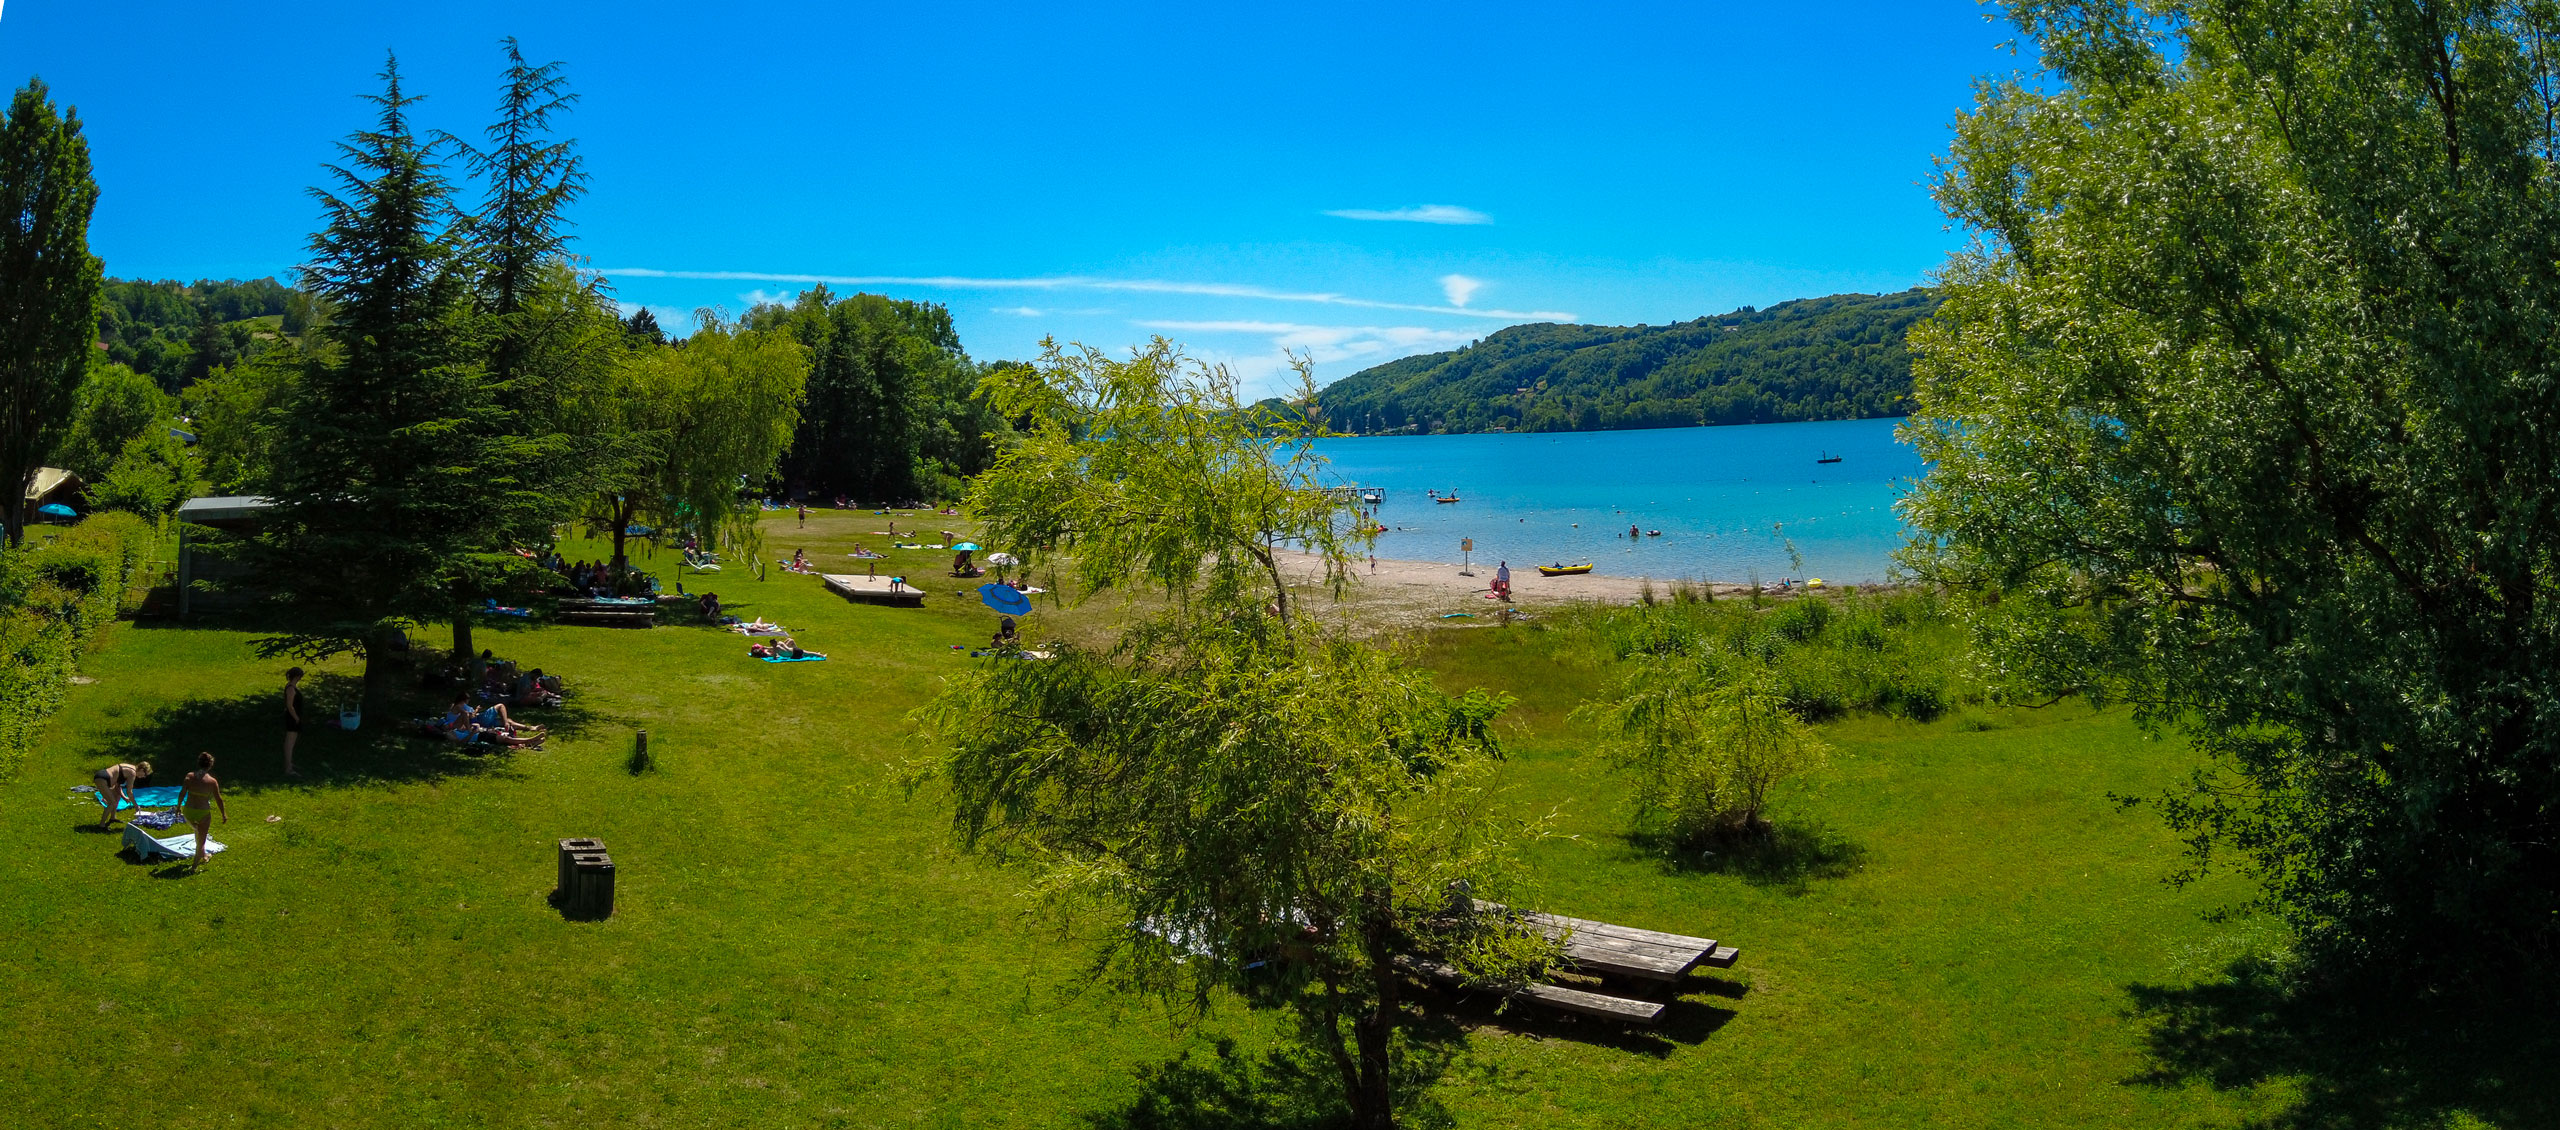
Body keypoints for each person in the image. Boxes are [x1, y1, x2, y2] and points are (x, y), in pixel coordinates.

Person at [180, 753, 225, 866]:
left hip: (188, 811)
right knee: (202, 839)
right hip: (202, 812)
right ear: (210, 765)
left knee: (197, 832)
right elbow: (219, 799)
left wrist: (178, 807)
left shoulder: (189, 776)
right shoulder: (212, 781)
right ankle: (195, 865)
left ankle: (204, 855)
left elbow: (182, 793)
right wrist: (223, 814)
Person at [91, 759, 151, 829]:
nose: (144, 777)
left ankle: (113, 818)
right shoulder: (132, 773)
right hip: (102, 779)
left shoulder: (130, 768)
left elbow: (117, 786)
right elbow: (129, 792)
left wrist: (124, 797)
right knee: (111, 803)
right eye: (145, 774)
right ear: (141, 770)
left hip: (104, 776)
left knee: (117, 796)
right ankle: (101, 825)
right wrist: (136, 806)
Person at [281, 666, 305, 778]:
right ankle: (288, 768)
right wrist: (296, 718)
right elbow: (290, 706)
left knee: (291, 742)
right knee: (289, 743)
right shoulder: (291, 688)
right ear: (297, 676)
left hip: (293, 718)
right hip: (292, 718)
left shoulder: (291, 686)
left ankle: (289, 764)